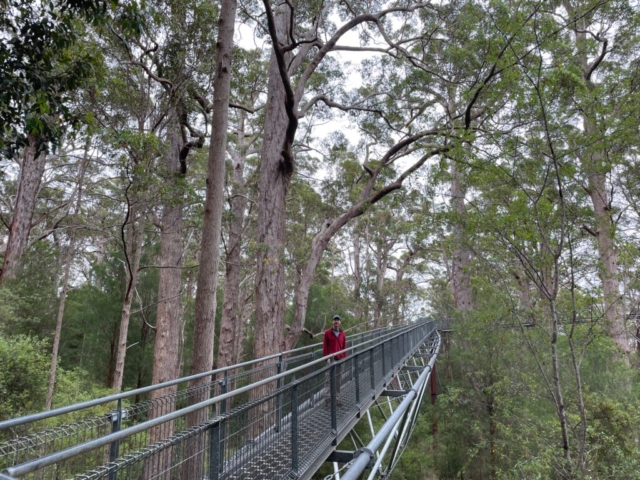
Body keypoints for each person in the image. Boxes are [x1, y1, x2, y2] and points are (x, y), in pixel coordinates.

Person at [323, 314, 347, 405]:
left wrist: (344, 357)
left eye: (338, 319)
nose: (336, 321)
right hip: (331, 359)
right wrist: (326, 358)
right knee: (328, 379)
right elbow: (325, 346)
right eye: (335, 320)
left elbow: (344, 346)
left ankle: (336, 398)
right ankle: (328, 399)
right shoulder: (327, 333)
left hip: (340, 360)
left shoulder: (342, 333)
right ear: (332, 321)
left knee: (338, 380)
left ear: (340, 322)